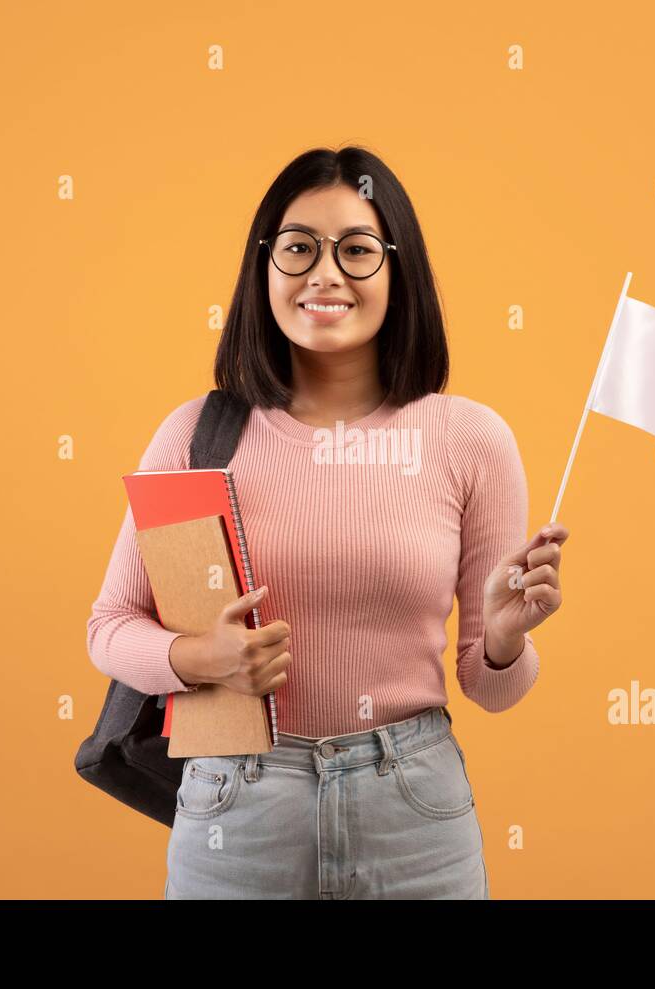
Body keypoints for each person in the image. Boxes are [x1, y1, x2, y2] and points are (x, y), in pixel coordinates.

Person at [86, 145, 569, 899]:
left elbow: (490, 686)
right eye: (299, 248)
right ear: (265, 268)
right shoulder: (197, 437)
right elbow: (110, 628)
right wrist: (201, 658)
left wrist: (505, 641)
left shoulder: (469, 440)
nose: (325, 273)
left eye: (356, 250)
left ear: (397, 271)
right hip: (236, 814)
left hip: (414, 815)